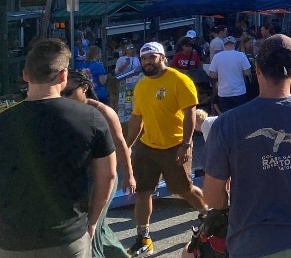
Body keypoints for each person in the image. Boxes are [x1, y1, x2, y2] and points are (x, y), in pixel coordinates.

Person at [203, 34, 291, 257]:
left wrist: (231, 202)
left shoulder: (227, 123)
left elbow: (212, 197)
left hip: (251, 242)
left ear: (257, 69)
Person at [0, 39, 116, 258]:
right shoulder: (91, 118)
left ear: (26, 75)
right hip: (68, 236)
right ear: (63, 76)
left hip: (12, 238)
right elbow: (108, 175)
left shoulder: (4, 121)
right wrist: (92, 223)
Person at [126, 42, 207, 257]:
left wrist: (186, 144)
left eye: (152, 57)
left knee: (184, 190)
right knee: (142, 192)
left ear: (163, 58)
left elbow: (190, 113)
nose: (147, 62)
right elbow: (136, 119)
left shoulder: (180, 80)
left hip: (175, 147)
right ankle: (143, 238)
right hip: (148, 147)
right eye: (144, 58)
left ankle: (208, 214)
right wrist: (127, 146)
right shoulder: (141, 85)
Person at [61, 69, 134, 258]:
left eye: (68, 92)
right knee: (100, 228)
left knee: (91, 229)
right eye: (61, 92)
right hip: (81, 179)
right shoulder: (64, 111)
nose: (64, 97)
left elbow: (121, 145)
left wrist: (129, 175)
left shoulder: (102, 112)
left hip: (103, 178)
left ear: (84, 87)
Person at [207, 36, 252, 113]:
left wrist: (221, 75)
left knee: (227, 117)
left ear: (224, 46)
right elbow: (247, 72)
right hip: (239, 92)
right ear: (234, 45)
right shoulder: (241, 55)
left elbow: (212, 74)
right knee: (240, 115)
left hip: (224, 93)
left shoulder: (217, 57)